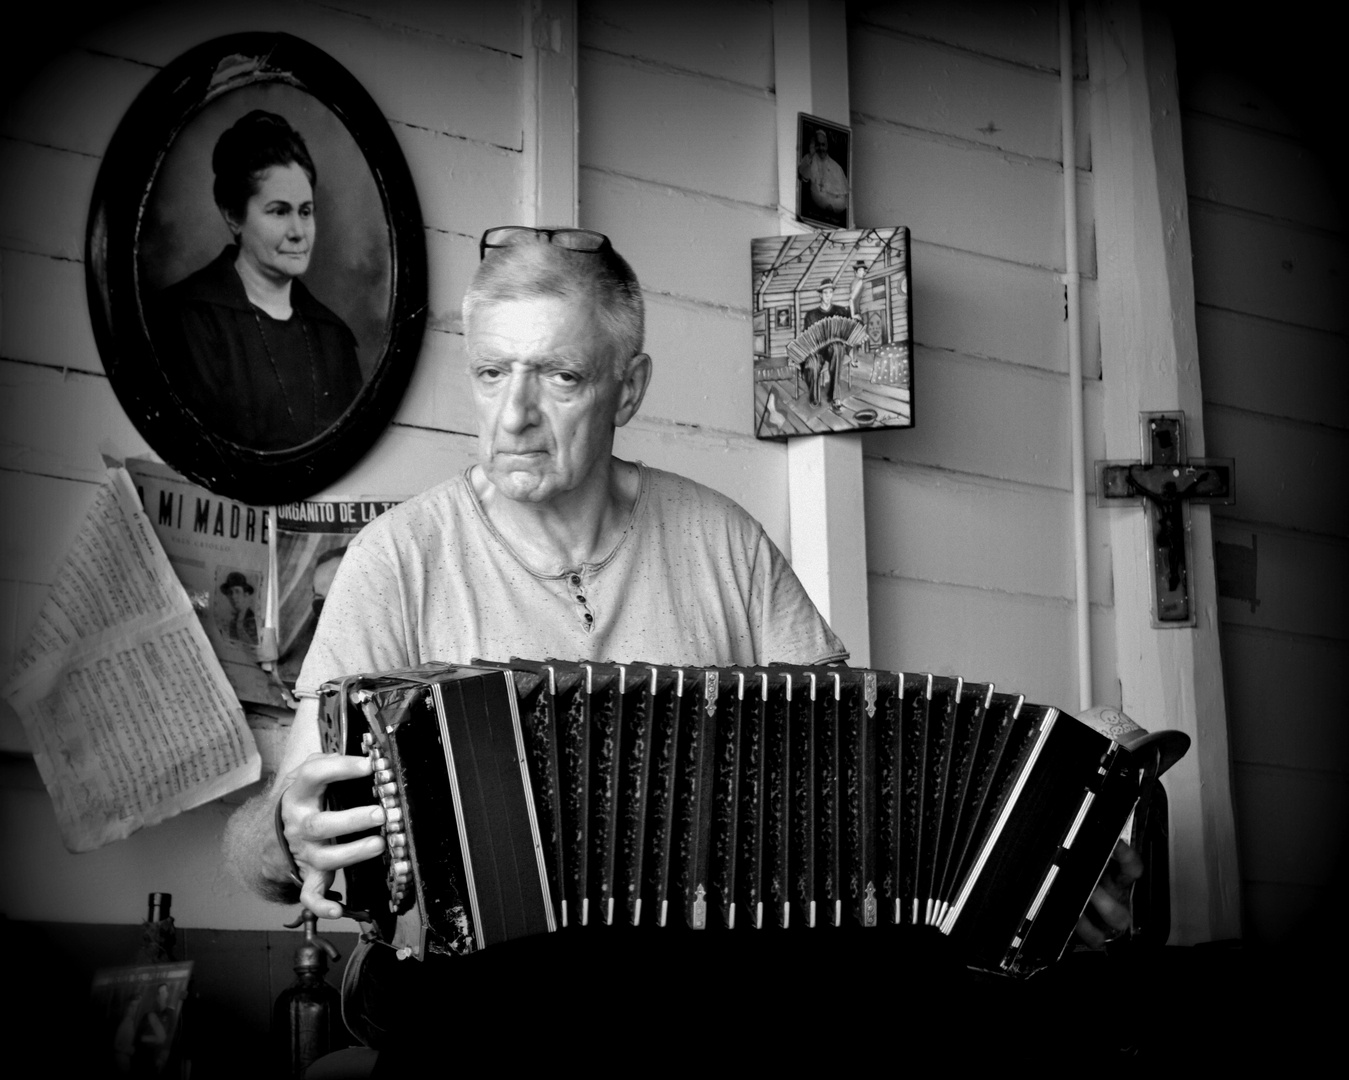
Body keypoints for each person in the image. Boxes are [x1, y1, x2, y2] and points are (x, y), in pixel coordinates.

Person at [223, 227, 1137, 1062]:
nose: (514, 415)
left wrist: (1049, 850)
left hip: (702, 1001)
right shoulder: (399, 559)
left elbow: (864, 792)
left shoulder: (722, 542)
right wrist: (287, 830)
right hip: (479, 1009)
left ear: (631, 386)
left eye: (560, 377)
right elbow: (261, 857)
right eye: (492, 374)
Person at [153, 110, 363, 451]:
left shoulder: (333, 338)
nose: (298, 232)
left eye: (305, 211)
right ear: (234, 215)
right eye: (279, 211)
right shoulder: (187, 320)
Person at [800, 279, 854, 407]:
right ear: (820, 294)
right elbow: (807, 338)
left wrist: (851, 351)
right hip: (817, 351)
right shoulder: (811, 315)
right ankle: (814, 397)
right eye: (825, 292)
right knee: (811, 365)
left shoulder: (841, 312)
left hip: (833, 350)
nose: (828, 295)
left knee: (838, 347)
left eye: (830, 292)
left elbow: (849, 334)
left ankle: (835, 395)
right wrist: (810, 350)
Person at [797, 126, 848, 226]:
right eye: (818, 145)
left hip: (832, 218)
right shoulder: (808, 159)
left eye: (823, 144)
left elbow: (843, 200)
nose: (821, 148)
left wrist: (831, 206)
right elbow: (803, 177)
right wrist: (811, 155)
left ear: (827, 146)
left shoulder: (837, 168)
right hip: (810, 215)